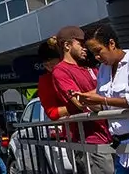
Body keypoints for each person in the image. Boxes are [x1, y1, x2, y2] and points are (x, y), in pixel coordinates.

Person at [72, 22, 129, 174]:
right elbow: (106, 105)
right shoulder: (103, 69)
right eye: (93, 53)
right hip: (122, 145)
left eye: (98, 51)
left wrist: (102, 100)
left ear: (111, 43)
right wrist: (87, 102)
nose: (97, 57)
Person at [52, 26, 113, 172]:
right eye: (81, 44)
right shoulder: (61, 70)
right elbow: (79, 101)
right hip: (88, 141)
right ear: (67, 45)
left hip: (110, 134)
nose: (86, 49)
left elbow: (110, 90)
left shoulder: (90, 68)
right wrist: (105, 93)